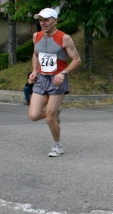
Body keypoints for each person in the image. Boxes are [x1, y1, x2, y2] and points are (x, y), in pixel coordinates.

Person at [29, 8, 81, 157]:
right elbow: (35, 54)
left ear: (55, 20)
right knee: (33, 115)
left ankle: (57, 145)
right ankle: (54, 111)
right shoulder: (36, 36)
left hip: (57, 80)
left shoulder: (64, 38)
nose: (43, 23)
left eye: (46, 20)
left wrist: (63, 73)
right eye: (40, 20)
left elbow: (77, 60)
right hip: (41, 79)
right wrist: (34, 71)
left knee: (50, 118)